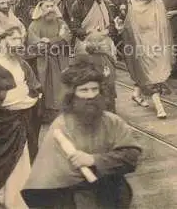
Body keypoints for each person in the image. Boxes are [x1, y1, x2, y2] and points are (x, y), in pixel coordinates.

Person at [21, 57, 142, 208]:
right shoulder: (61, 126)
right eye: (84, 90)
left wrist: (93, 160)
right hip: (71, 198)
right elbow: (48, 181)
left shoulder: (112, 121)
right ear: (72, 94)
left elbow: (131, 157)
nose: (90, 95)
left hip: (110, 195)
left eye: (94, 89)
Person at [0, 20, 41, 207]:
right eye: (13, 39)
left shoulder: (22, 64)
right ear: (1, 41)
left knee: (23, 168)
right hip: (1, 130)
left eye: (20, 39)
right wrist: (15, 96)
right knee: (3, 173)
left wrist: (24, 97)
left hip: (23, 126)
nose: (18, 43)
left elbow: (34, 89)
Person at [116, 0, 173, 118]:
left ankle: (136, 93)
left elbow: (164, 26)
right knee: (148, 74)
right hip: (140, 42)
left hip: (157, 42)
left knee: (154, 72)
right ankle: (159, 107)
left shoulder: (159, 3)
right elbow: (128, 25)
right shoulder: (133, 3)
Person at [27, 0, 72, 123]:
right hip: (44, 62)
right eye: (47, 6)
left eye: (52, 6)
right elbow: (37, 45)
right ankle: (46, 114)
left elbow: (67, 37)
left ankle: (60, 112)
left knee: (61, 86)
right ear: (40, 7)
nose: (50, 9)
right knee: (46, 86)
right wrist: (57, 40)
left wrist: (51, 41)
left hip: (60, 61)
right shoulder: (34, 25)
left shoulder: (60, 22)